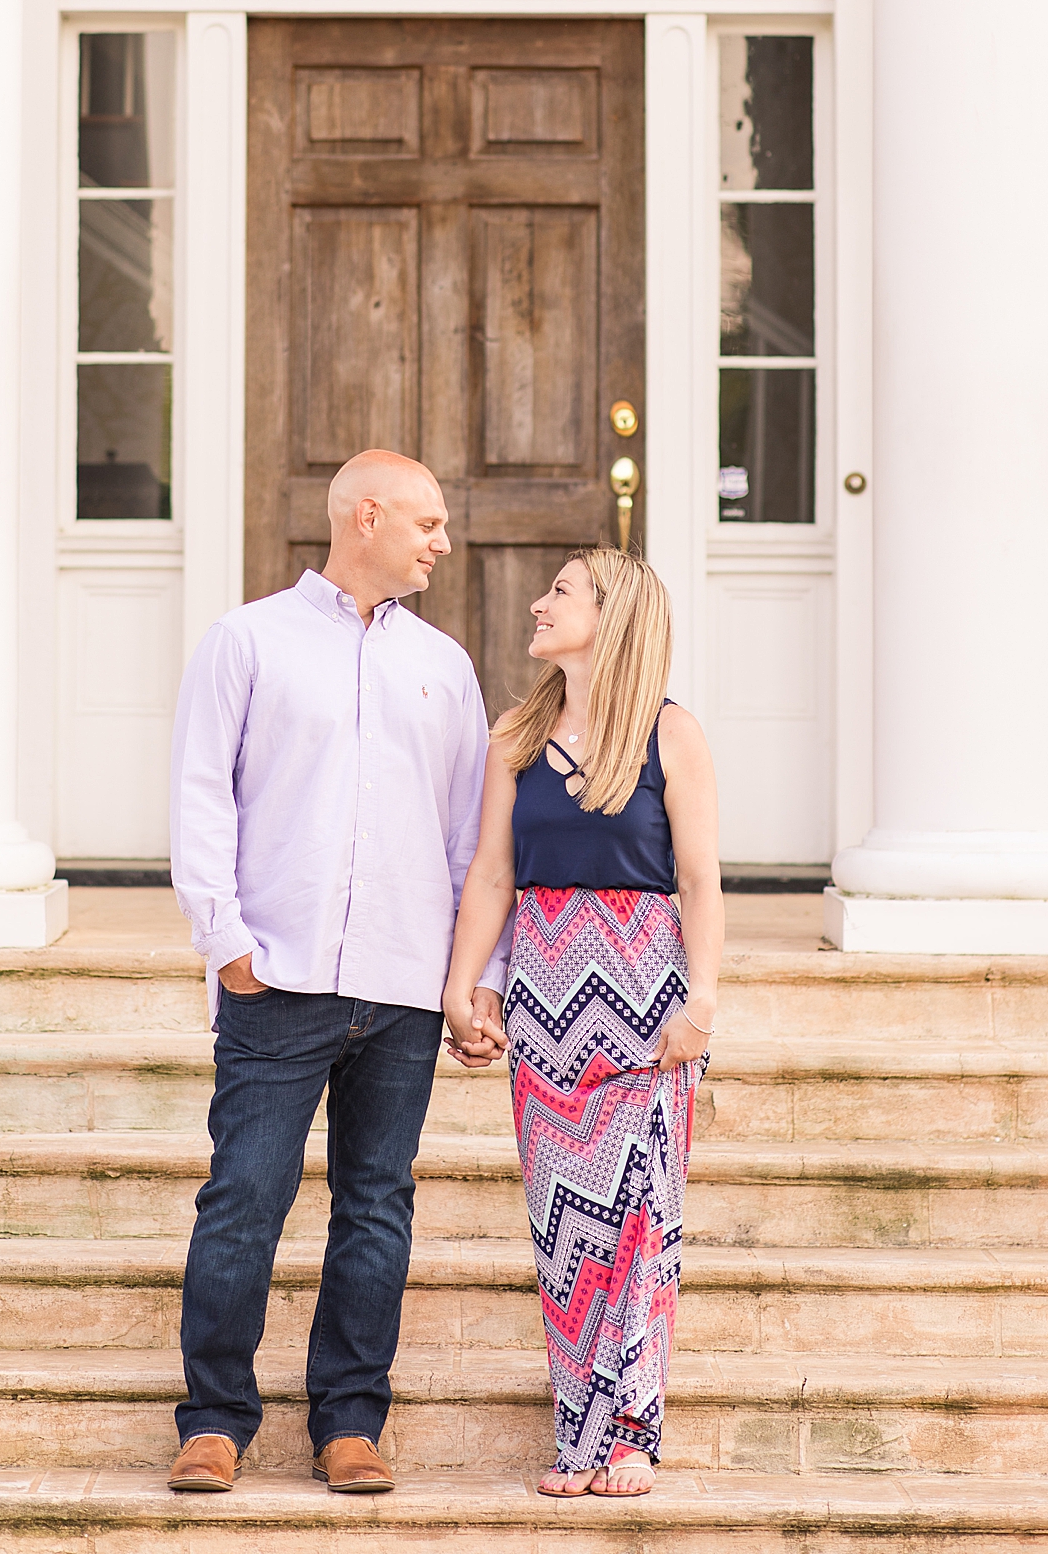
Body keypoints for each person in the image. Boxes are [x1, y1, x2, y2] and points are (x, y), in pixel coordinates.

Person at [167, 449, 507, 1496]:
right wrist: (226, 944)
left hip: (402, 984)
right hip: (280, 973)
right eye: (429, 523)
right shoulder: (249, 639)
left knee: (376, 1205)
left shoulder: (444, 665)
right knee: (244, 1199)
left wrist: (466, 976)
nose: (442, 543)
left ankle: (350, 1420)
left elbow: (469, 840)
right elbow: (199, 794)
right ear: (368, 516)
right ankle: (215, 1419)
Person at [442, 547, 724, 1499]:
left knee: (640, 1223)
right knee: (566, 1236)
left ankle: (633, 1433)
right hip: (546, 1005)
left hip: (646, 1004)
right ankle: (578, 1437)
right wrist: (464, 984)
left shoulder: (670, 734)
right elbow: (490, 873)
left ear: (616, 613)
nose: (538, 602)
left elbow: (699, 882)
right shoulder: (516, 735)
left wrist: (704, 1001)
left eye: (561, 591)